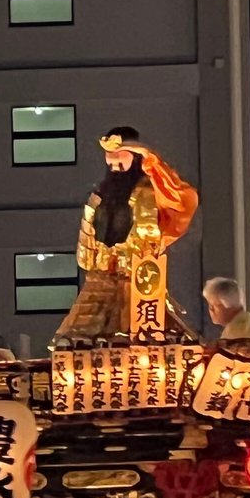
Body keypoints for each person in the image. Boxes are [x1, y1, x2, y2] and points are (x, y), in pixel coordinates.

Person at [56, 126, 200, 344]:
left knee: (146, 341)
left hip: (139, 282)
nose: (115, 168)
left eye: (120, 161)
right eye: (111, 163)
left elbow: (182, 199)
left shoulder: (150, 193)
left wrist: (148, 156)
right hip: (99, 284)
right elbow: (86, 248)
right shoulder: (99, 197)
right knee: (82, 342)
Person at [201, 275, 250, 340]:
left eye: (213, 305)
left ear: (228, 303)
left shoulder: (236, 332)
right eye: (209, 305)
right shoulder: (243, 321)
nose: (211, 310)